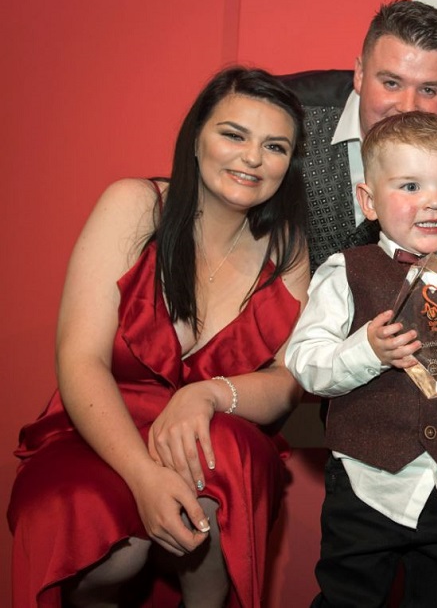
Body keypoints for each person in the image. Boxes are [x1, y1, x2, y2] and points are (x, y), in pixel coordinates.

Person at [7, 66, 311, 607]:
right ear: (196, 138)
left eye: (275, 146)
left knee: (225, 451)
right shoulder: (134, 205)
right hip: (99, 431)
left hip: (211, 442)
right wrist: (144, 477)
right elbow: (80, 361)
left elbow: (289, 381)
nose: (252, 158)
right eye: (233, 134)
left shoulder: (287, 247)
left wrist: (208, 393)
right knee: (112, 544)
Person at [285, 111, 437, 608]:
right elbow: (303, 361)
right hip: (367, 482)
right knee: (347, 599)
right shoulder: (345, 271)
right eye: (411, 185)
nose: (434, 201)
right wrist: (366, 351)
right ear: (368, 201)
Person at [282, 0, 437, 272]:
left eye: (428, 90)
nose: (407, 106)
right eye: (391, 83)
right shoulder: (292, 123)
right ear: (360, 73)